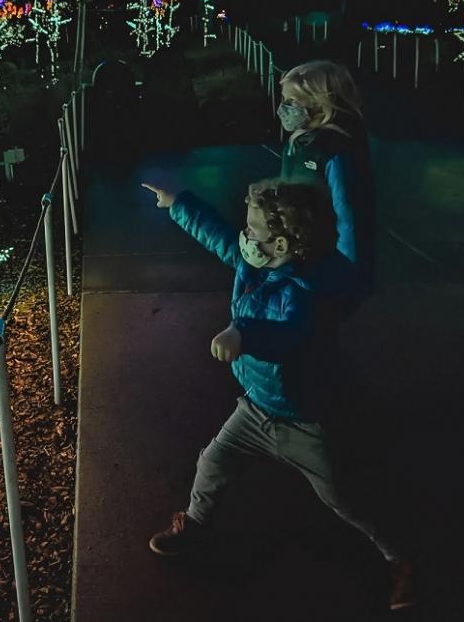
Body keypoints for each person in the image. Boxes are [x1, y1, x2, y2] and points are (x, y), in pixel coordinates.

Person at [140, 178, 415, 612]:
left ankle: (399, 556)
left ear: (284, 243)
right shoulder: (255, 264)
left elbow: (290, 337)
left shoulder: (305, 293)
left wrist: (242, 333)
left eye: (254, 230)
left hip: (303, 420)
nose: (245, 236)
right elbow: (218, 236)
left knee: (343, 499)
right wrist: (179, 203)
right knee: (212, 463)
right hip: (254, 408)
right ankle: (193, 525)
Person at [277, 60, 375, 300]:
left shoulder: (335, 149)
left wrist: (347, 272)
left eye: (293, 101)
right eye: (284, 99)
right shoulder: (300, 141)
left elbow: (348, 213)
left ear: (321, 102)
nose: (283, 108)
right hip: (300, 253)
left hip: (325, 258)